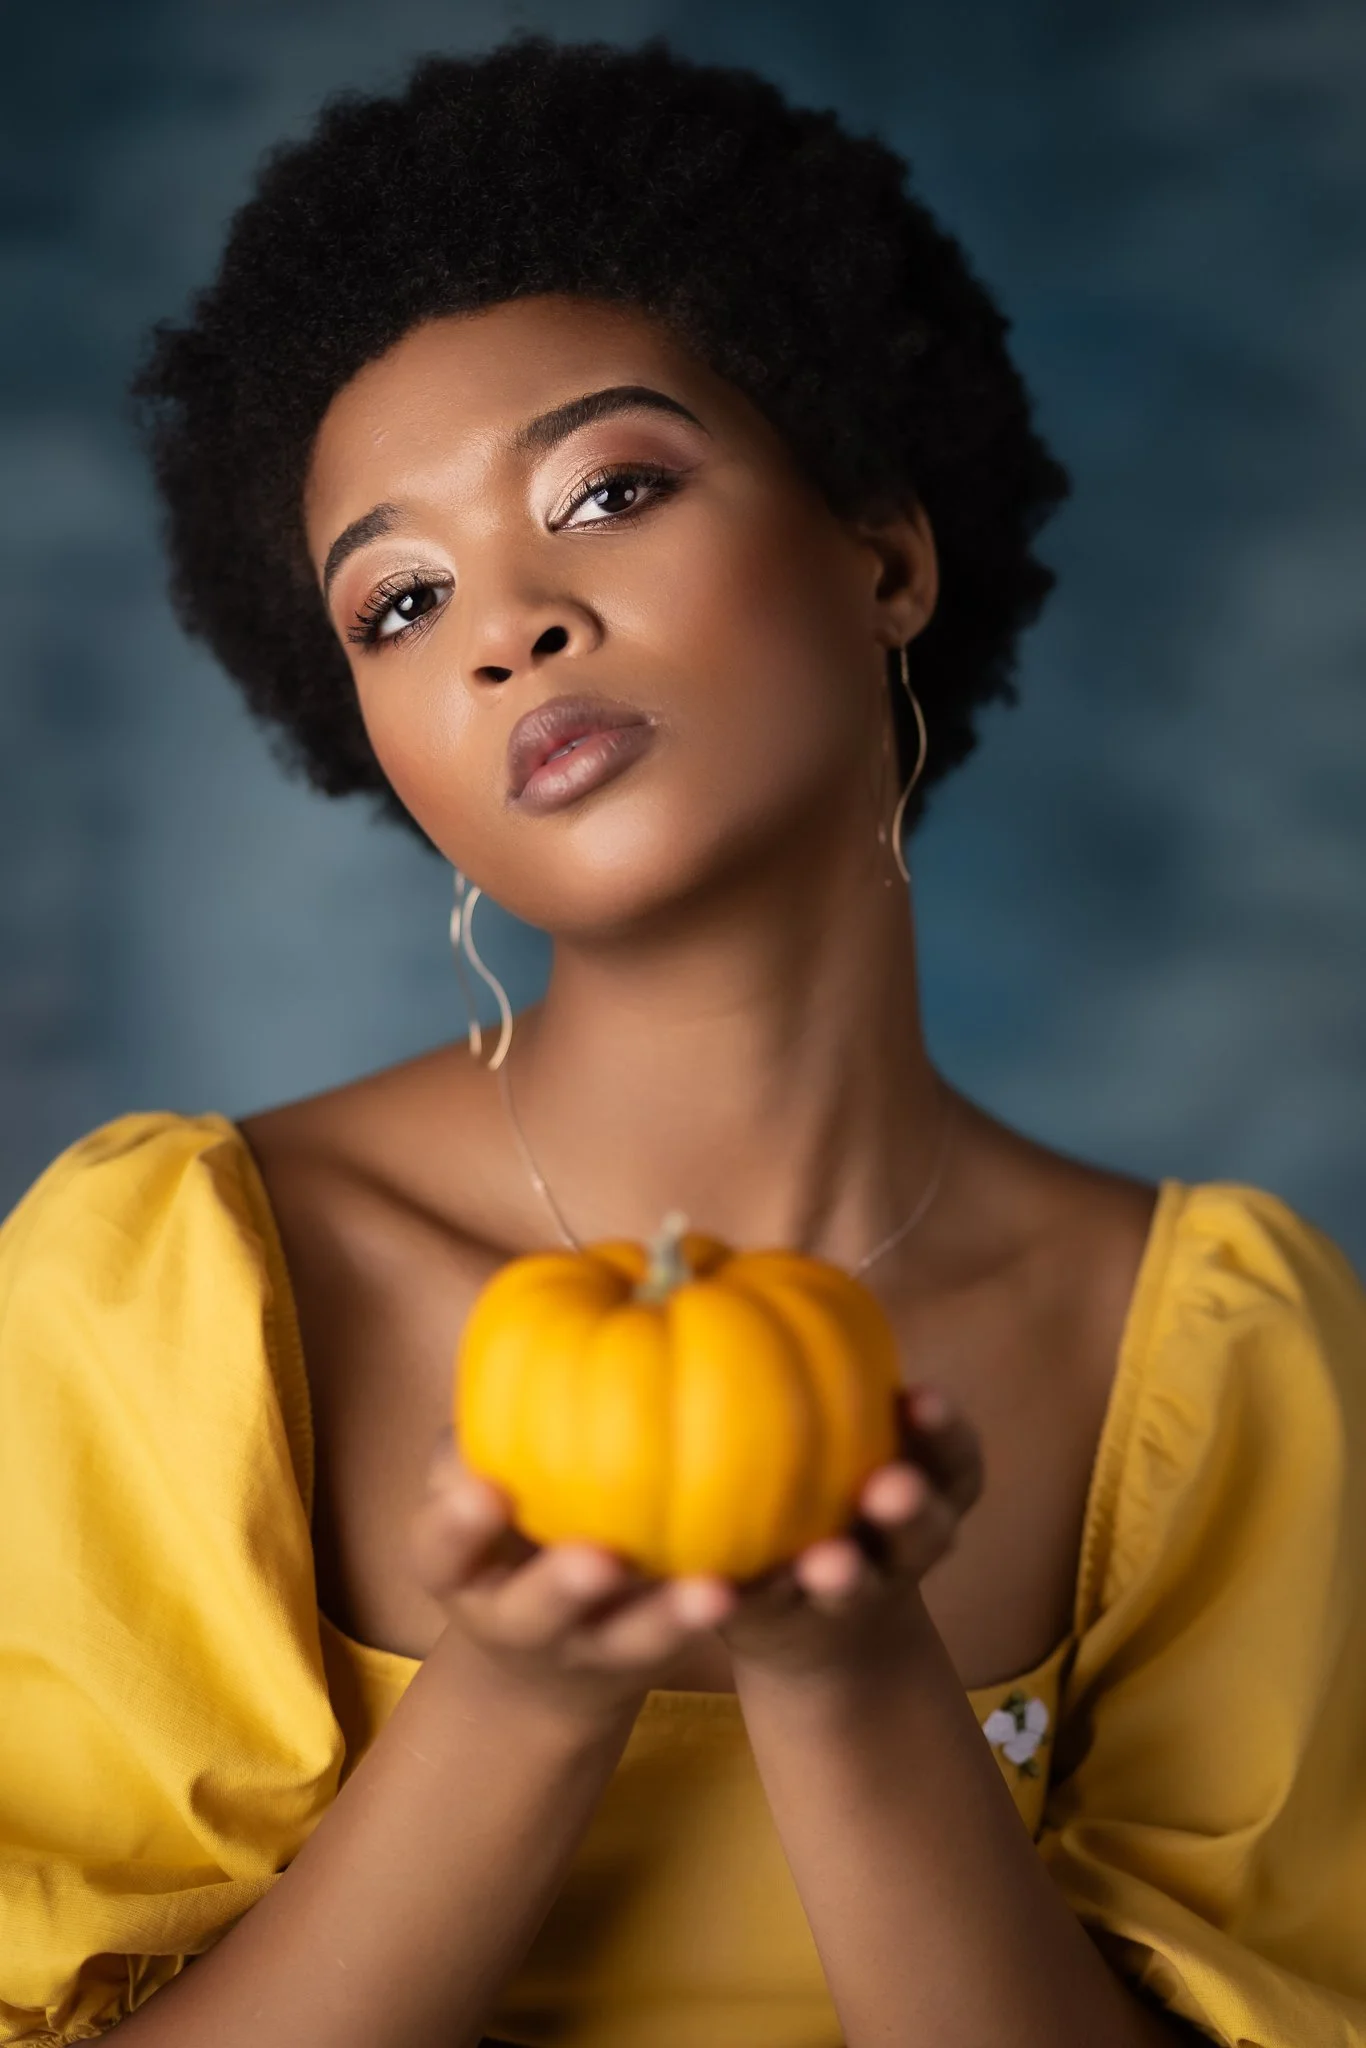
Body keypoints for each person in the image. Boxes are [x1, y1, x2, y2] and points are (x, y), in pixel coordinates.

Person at [2, 33, 1364, 2048]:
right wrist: (524, 1688)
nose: (505, 624)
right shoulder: (172, 1289)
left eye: (610, 490)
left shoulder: (1210, 1346)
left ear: (882, 554)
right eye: (395, 604)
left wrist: (845, 1676)